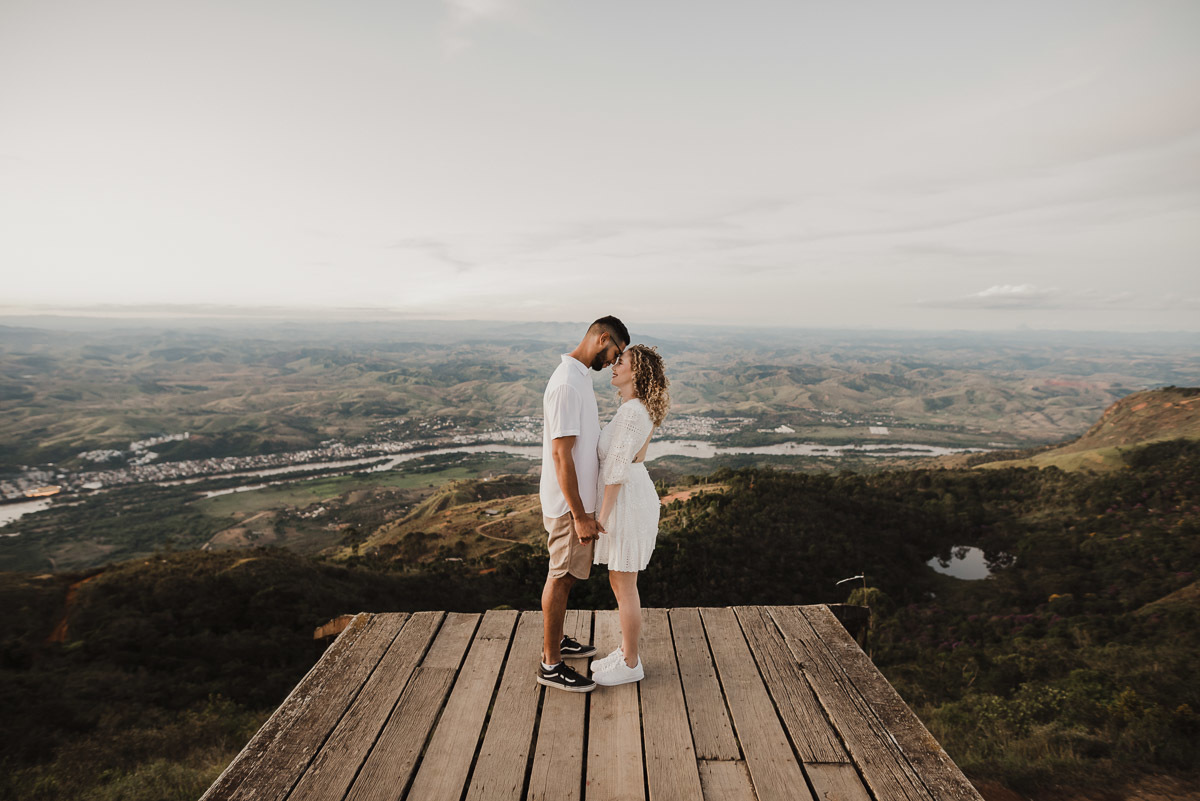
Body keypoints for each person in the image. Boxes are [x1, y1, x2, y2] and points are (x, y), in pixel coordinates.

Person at [536, 315, 630, 693]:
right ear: (602, 337)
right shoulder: (566, 386)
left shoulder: (578, 378)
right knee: (561, 577)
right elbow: (562, 457)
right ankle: (551, 664)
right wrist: (579, 515)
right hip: (567, 506)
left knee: (569, 575)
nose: (614, 360)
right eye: (615, 352)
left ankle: (555, 642)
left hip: (577, 503)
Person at [589, 344, 669, 687]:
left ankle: (632, 662)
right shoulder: (632, 408)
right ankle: (625, 651)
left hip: (626, 502)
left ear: (636, 373)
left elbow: (616, 471)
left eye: (621, 362)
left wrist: (600, 520)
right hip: (629, 498)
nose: (613, 365)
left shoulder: (633, 412)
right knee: (620, 582)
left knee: (625, 585)